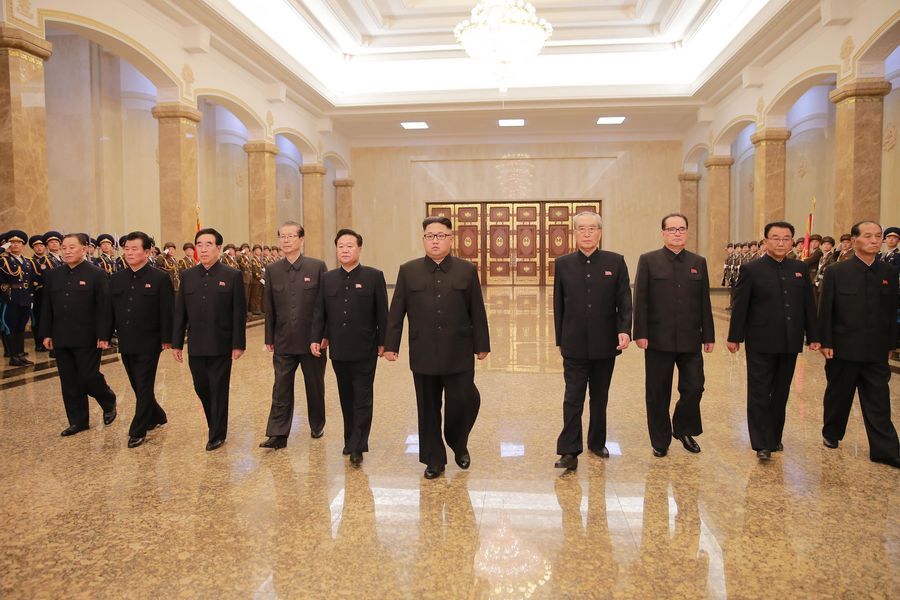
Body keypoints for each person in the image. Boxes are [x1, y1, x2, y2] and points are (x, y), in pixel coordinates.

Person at [384, 216, 490, 479]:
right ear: (423, 240)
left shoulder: (466, 270)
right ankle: (433, 459)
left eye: (441, 235)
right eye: (430, 236)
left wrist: (482, 344)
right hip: (424, 351)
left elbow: (477, 310)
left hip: (459, 351)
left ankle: (458, 442)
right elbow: (396, 311)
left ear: (451, 239)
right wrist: (391, 345)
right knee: (428, 409)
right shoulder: (408, 271)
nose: (435, 241)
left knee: (463, 402)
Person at [727, 221, 820, 460]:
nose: (780, 243)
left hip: (790, 341)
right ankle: (761, 443)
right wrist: (734, 337)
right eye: (775, 238)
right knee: (759, 392)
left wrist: (814, 335)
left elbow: (808, 305)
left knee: (781, 392)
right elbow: (740, 305)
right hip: (761, 340)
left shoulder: (799, 268)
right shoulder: (751, 269)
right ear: (766, 240)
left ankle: (774, 437)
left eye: (786, 238)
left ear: (792, 242)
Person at [553, 211, 632, 470]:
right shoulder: (563, 264)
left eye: (592, 229)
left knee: (599, 397)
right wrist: (560, 338)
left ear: (599, 232)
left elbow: (624, 299)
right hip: (573, 343)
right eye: (581, 229)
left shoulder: (615, 262)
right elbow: (558, 304)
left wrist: (625, 329)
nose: (586, 233)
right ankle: (569, 450)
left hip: (605, 343)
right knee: (572, 397)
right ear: (574, 233)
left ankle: (597, 442)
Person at [819, 221, 900, 469]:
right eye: (868, 236)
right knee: (839, 395)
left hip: (876, 349)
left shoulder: (888, 272)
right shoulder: (836, 271)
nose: (875, 240)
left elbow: (891, 311)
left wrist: (892, 343)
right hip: (843, 348)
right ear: (854, 241)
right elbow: (826, 309)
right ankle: (832, 432)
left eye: (878, 236)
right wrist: (825, 341)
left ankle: (885, 450)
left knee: (879, 400)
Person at [633, 214, 715, 457]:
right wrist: (640, 333)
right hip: (658, 338)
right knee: (657, 392)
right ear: (663, 233)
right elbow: (641, 299)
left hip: (690, 339)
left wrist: (708, 335)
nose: (677, 233)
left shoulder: (698, 262)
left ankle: (682, 428)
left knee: (695, 387)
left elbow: (704, 301)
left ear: (687, 232)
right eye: (672, 229)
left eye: (681, 229)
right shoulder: (649, 260)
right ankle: (660, 440)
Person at [310, 229, 388, 464]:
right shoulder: (328, 278)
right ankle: (349, 439)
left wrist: (384, 342)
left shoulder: (374, 276)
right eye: (340, 246)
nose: (344, 250)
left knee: (362, 397)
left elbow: (382, 313)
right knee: (346, 396)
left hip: (366, 347)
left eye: (349, 246)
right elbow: (320, 311)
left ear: (359, 249)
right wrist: (318, 337)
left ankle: (358, 445)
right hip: (339, 349)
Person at [172, 228, 246, 451]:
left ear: (218, 248)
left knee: (218, 388)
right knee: (201, 387)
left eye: (208, 244)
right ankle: (215, 423)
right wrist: (177, 343)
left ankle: (217, 433)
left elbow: (238, 312)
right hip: (196, 344)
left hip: (221, 343)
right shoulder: (187, 276)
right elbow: (180, 312)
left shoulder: (232, 275)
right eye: (199, 245)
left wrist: (238, 344)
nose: (203, 249)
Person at [39, 233, 117, 436]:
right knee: (69, 380)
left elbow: (104, 307)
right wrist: (46, 333)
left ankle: (108, 399)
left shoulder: (96, 274)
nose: (67, 251)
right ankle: (78, 421)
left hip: (88, 336)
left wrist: (104, 335)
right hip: (61, 335)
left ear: (84, 249)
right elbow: (46, 306)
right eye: (64, 248)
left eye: (72, 247)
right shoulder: (53, 275)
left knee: (88, 375)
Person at [259, 221, 328, 449]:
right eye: (282, 236)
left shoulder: (317, 267)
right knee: (281, 387)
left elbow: (324, 305)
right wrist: (269, 338)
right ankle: (278, 434)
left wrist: (323, 335)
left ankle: (317, 424)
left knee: (314, 386)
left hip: (312, 342)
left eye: (291, 236)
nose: (286, 240)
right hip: (283, 340)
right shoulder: (272, 270)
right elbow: (269, 306)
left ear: (301, 239)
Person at [110, 231, 174, 448]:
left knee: (144, 383)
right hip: (126, 340)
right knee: (137, 383)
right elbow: (111, 310)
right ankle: (157, 415)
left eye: (134, 249)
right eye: (126, 249)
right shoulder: (117, 278)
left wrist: (167, 338)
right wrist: (105, 335)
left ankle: (138, 429)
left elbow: (167, 310)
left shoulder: (160, 278)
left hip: (150, 340)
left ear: (147, 252)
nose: (129, 253)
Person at [0, 230, 35, 366]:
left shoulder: (27, 262)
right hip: (10, 297)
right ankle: (13, 356)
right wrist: (2, 248)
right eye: (12, 242)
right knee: (11, 327)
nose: (15, 244)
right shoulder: (3, 260)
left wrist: (31, 298)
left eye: (18, 242)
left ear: (23, 245)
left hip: (24, 298)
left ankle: (20, 354)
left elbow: (29, 282)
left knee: (21, 327)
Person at [28, 234, 53, 352]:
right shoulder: (30, 262)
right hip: (38, 294)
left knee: (49, 318)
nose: (39, 248)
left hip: (50, 293)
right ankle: (39, 343)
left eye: (41, 245)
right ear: (33, 248)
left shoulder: (49, 260)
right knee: (38, 319)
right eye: (36, 246)